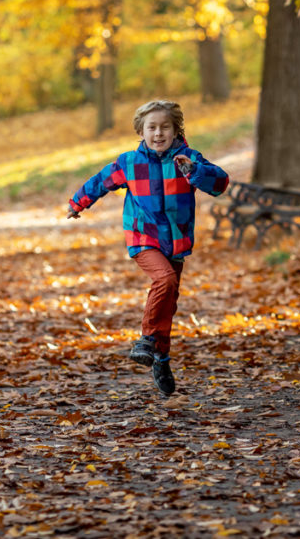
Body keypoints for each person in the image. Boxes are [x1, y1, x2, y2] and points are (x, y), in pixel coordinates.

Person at [67, 100, 229, 396]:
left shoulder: (188, 159)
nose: (158, 133)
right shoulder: (129, 163)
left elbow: (220, 184)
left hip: (176, 240)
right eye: (151, 127)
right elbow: (100, 182)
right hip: (142, 237)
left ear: (175, 130)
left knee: (168, 301)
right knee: (164, 280)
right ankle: (146, 340)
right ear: (141, 131)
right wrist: (78, 203)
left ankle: (161, 359)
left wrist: (195, 172)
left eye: (165, 127)